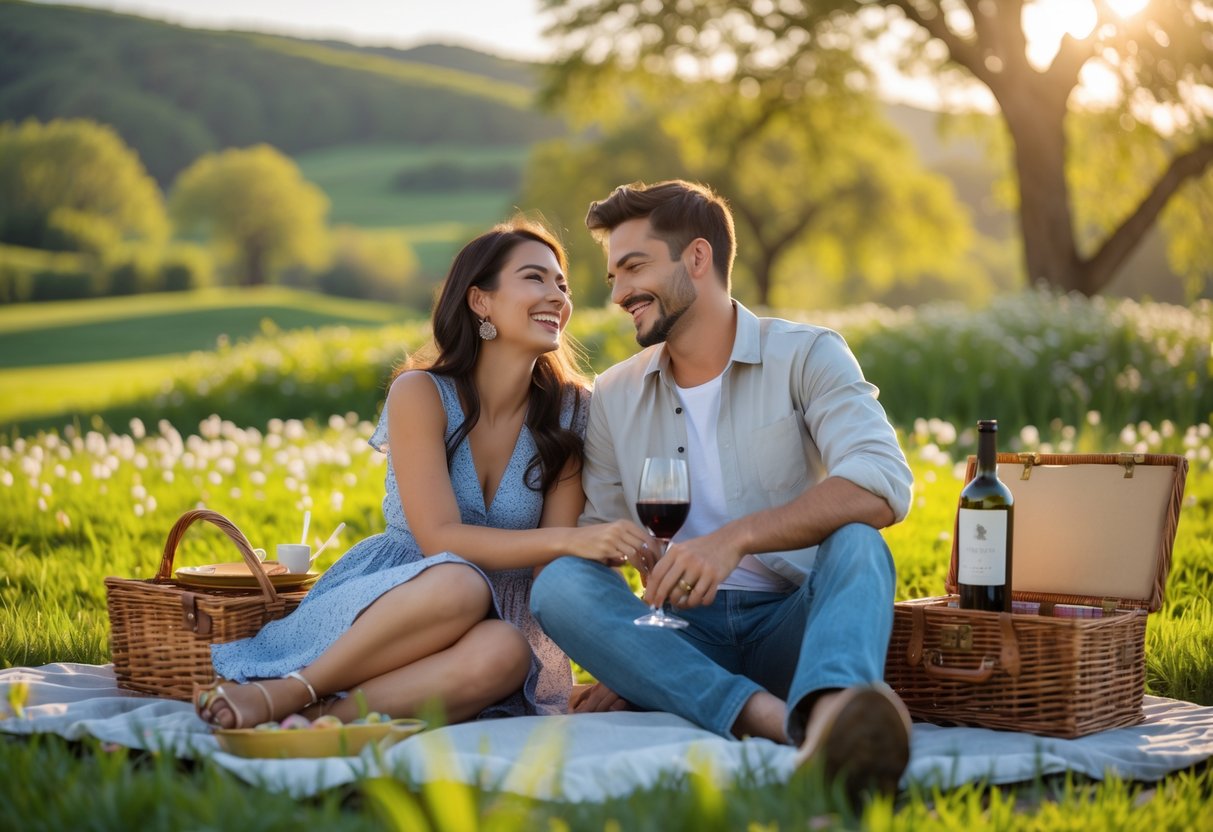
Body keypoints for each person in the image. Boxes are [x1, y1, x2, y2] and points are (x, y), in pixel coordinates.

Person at [529, 180, 916, 802]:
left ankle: (833, 703)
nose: (620, 292)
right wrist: (633, 652)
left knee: (859, 544)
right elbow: (595, 541)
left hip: (795, 622)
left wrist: (731, 542)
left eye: (634, 267)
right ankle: (801, 729)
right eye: (612, 278)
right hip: (682, 634)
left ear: (698, 259)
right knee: (560, 584)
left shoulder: (808, 355)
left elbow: (881, 482)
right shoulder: (616, 395)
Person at [195, 219, 650, 729]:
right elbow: (440, 539)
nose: (557, 297)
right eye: (535, 279)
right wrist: (573, 542)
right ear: (481, 302)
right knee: (461, 581)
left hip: (496, 622)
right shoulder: (420, 394)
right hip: (403, 602)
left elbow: (551, 567)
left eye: (562, 284)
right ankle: (289, 692)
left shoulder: (571, 412)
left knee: (508, 651)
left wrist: (624, 663)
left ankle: (325, 718)